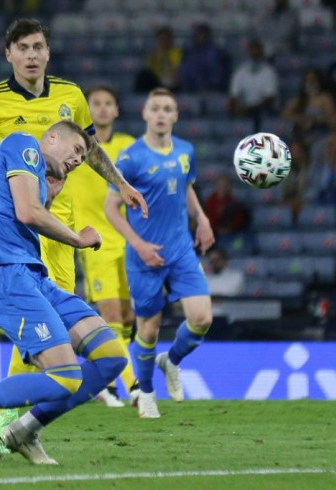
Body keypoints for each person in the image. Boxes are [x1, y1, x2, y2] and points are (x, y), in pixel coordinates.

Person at [0, 18, 147, 454]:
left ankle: (23, 424)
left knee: (66, 336)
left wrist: (121, 185)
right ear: (10, 55)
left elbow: (89, 150)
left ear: (48, 53)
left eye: (39, 47)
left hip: (59, 228)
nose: (32, 55)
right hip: (15, 229)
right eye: (23, 48)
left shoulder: (70, 97)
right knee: (40, 331)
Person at [0, 121, 128, 465]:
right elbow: (27, 213)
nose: (80, 159)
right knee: (65, 377)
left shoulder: (36, 175)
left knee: (111, 357)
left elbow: (26, 212)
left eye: (83, 155)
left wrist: (48, 194)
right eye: (76, 150)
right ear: (51, 137)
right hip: (4, 275)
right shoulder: (23, 143)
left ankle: (23, 431)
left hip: (34, 277)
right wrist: (78, 238)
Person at [105, 88, 215, 418]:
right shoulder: (130, 157)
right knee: (148, 331)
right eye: (156, 108)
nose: (162, 114)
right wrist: (137, 244)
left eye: (168, 108)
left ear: (176, 115)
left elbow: (186, 186)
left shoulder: (186, 151)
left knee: (202, 318)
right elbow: (111, 208)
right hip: (145, 255)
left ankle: (173, 361)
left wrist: (203, 218)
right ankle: (148, 393)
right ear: (145, 114)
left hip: (181, 249)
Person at [65, 85, 138, 408]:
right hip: (95, 242)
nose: (103, 109)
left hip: (130, 240)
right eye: (96, 104)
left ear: (117, 110)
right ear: (87, 110)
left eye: (109, 103)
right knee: (109, 314)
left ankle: (104, 382)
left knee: (128, 317)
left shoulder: (128, 146)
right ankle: (134, 386)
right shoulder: (74, 148)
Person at [229, 39, 279, 130]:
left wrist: (250, 109)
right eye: (253, 51)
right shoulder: (240, 72)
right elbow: (234, 95)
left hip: (262, 110)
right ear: (249, 53)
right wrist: (236, 108)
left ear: (262, 53)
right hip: (244, 109)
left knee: (260, 114)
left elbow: (270, 98)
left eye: (257, 52)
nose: (255, 54)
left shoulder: (269, 72)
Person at [281, 68, 336, 141]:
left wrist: (314, 121)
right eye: (308, 80)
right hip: (299, 136)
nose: (310, 83)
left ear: (319, 81)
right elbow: (284, 114)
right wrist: (300, 119)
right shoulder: (297, 99)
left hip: (320, 134)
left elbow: (332, 117)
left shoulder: (325, 98)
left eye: (313, 80)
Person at [178, 24, 229, 93]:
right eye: (199, 35)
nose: (201, 38)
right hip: (192, 91)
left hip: (214, 91)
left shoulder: (217, 52)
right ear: (195, 36)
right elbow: (185, 72)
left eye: (204, 35)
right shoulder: (189, 53)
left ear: (208, 36)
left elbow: (218, 74)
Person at [135, 26, 182, 92]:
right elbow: (148, 67)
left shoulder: (176, 52)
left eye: (165, 39)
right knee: (143, 75)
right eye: (160, 39)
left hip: (170, 83)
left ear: (170, 40)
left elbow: (175, 70)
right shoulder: (155, 53)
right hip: (157, 81)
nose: (163, 42)